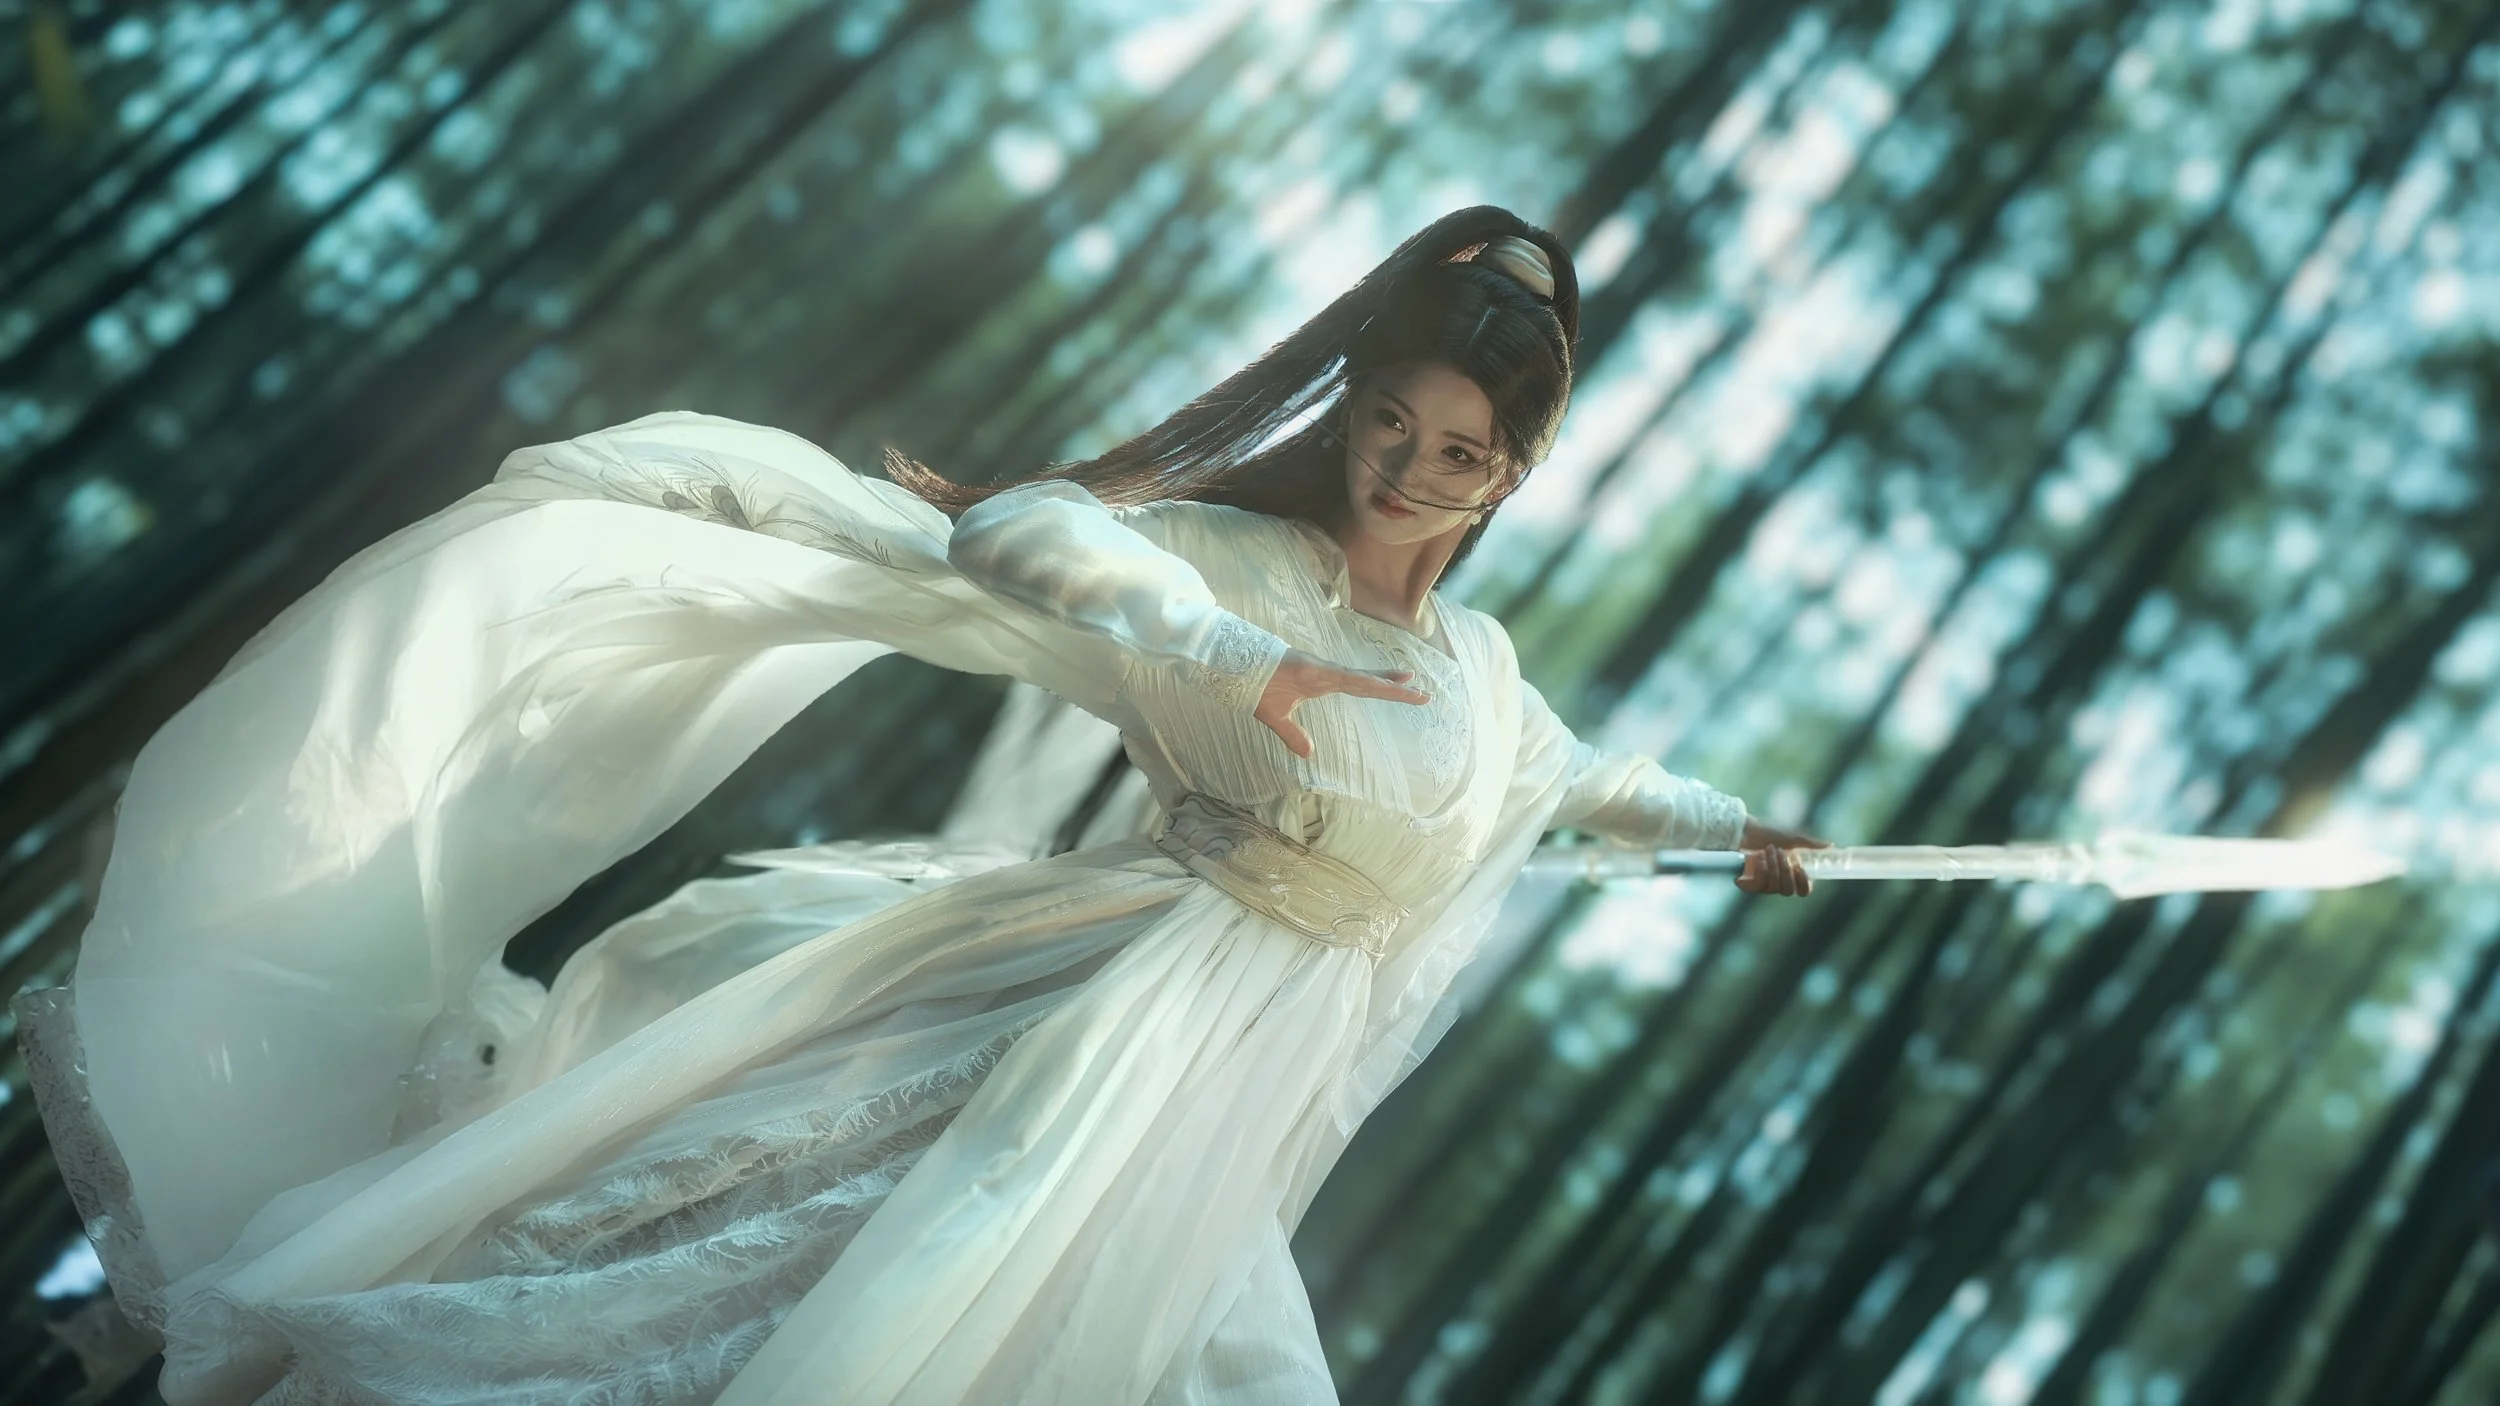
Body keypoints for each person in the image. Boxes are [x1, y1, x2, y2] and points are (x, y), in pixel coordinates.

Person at [16, 205, 1830, 1405]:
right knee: (746, 1250)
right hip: (1080, 1004)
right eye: (1390, 419)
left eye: (1460, 454)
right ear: (1351, 397)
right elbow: (1017, 529)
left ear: (1513, 471)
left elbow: (1594, 783)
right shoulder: (1241, 560)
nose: (1406, 470)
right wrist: (1213, 641)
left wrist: (1735, 826)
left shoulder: (1484, 676)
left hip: (1212, 1112)